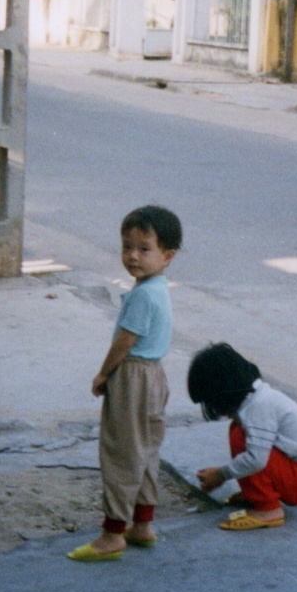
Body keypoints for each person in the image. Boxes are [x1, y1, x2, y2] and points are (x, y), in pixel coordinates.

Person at [68, 205, 183, 564]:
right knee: (146, 449)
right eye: (127, 247)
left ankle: (112, 534)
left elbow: (124, 341)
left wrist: (103, 374)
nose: (133, 256)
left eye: (144, 249)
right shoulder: (159, 288)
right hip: (154, 374)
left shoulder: (142, 296)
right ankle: (143, 525)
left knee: (121, 453)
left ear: (167, 256)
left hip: (132, 374)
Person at [189, 343, 297, 531]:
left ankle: (268, 509)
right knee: (238, 431)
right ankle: (257, 494)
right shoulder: (256, 399)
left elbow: (257, 460)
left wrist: (221, 474)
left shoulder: (260, 407)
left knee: (240, 438)